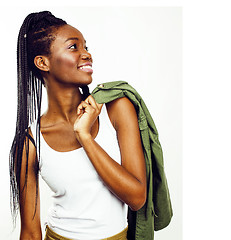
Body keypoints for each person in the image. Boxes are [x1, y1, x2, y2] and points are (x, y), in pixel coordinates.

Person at [9, 11, 147, 240]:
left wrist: (84, 135)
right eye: (74, 47)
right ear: (43, 62)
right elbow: (31, 232)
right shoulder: (30, 143)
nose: (86, 54)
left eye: (86, 46)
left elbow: (137, 198)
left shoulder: (116, 108)